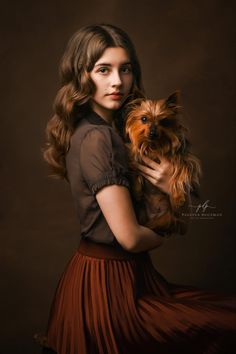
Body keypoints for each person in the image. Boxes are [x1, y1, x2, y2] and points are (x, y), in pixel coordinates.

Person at [35, 24, 236, 354]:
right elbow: (129, 237)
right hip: (111, 288)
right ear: (82, 76)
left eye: (125, 69)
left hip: (116, 278)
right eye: (104, 70)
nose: (117, 81)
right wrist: (174, 218)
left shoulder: (99, 130)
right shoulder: (100, 138)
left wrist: (173, 188)